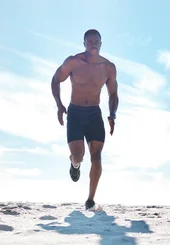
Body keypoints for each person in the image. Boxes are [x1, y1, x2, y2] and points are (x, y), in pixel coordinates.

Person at [50, 29, 119, 210]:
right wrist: (59, 105)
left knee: (96, 157)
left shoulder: (108, 67)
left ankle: (90, 199)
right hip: (75, 113)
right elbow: (56, 80)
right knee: (79, 155)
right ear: (84, 44)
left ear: (101, 44)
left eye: (96, 41)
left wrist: (112, 114)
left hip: (94, 114)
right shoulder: (74, 61)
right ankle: (74, 164)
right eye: (89, 41)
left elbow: (113, 94)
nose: (93, 44)